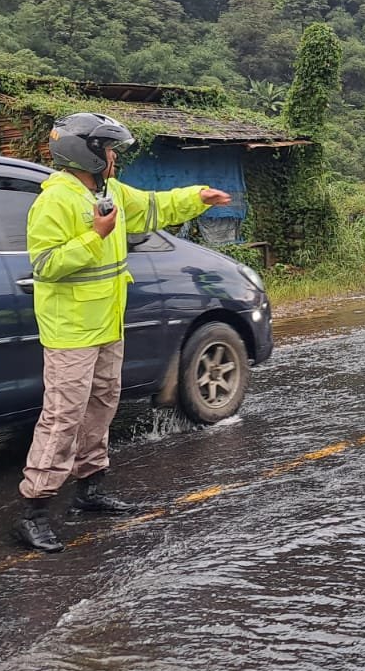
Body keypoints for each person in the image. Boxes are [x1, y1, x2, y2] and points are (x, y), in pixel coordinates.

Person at [14, 112, 231, 553]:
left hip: (107, 324)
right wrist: (95, 236)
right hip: (71, 331)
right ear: (88, 154)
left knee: (101, 405)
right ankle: (34, 511)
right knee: (63, 416)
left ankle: (90, 489)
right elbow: (46, 265)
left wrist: (197, 197)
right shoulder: (54, 201)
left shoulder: (108, 192)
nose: (115, 158)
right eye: (109, 150)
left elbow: (153, 206)